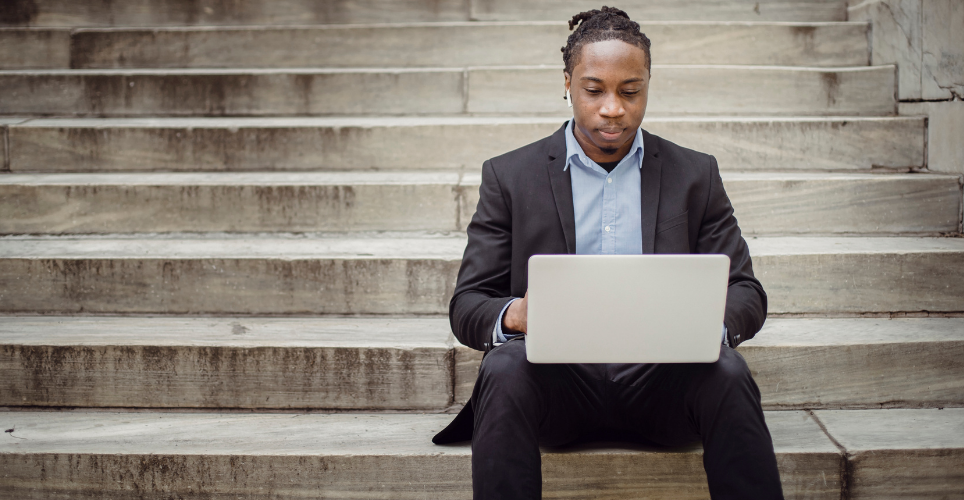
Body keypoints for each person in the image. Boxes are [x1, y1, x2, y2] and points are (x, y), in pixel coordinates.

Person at [433, 6, 783, 499]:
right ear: (569, 84)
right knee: (504, 366)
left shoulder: (695, 174)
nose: (613, 108)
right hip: (557, 393)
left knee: (727, 369)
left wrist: (707, 323)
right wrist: (518, 315)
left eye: (630, 91)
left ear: (647, 85)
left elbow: (747, 291)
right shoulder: (509, 176)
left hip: (664, 389)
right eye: (594, 90)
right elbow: (468, 304)